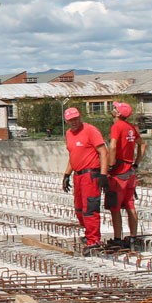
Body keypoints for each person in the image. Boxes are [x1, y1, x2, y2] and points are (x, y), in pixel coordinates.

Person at [61, 106, 110, 253]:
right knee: (79, 210)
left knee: (90, 209)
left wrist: (103, 174)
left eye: (76, 119)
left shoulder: (90, 130)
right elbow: (73, 155)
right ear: (67, 121)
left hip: (90, 175)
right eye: (70, 120)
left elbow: (103, 152)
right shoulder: (69, 134)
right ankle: (89, 233)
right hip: (78, 175)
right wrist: (66, 174)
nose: (74, 122)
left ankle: (94, 240)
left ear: (80, 117)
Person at [107, 101, 144, 247]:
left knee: (115, 207)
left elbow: (113, 146)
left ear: (118, 113)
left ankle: (117, 239)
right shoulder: (131, 128)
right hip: (130, 172)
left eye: (115, 107)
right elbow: (143, 144)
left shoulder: (117, 126)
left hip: (119, 173)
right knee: (130, 205)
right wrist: (136, 163)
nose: (113, 108)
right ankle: (133, 236)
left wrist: (110, 165)